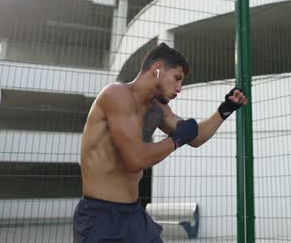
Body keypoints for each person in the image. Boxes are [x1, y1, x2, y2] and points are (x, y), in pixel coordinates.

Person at [73, 42, 248, 242]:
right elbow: (135, 159)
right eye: (177, 78)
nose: (179, 88)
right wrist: (176, 140)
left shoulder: (158, 109)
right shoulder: (116, 95)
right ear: (157, 70)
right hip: (100, 216)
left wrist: (225, 109)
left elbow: (194, 137)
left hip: (133, 214)